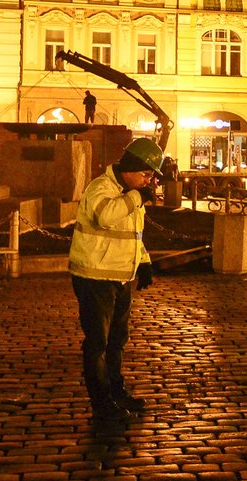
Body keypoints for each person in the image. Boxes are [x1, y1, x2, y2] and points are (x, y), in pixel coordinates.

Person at [69, 138, 162, 423]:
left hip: (120, 276)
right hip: (95, 276)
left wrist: (143, 262)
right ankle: (101, 401)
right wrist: (137, 198)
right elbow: (105, 217)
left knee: (117, 341)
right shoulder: (101, 188)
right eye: (146, 175)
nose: (148, 181)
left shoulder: (128, 191)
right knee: (97, 342)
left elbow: (133, 234)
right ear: (131, 167)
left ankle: (115, 391)